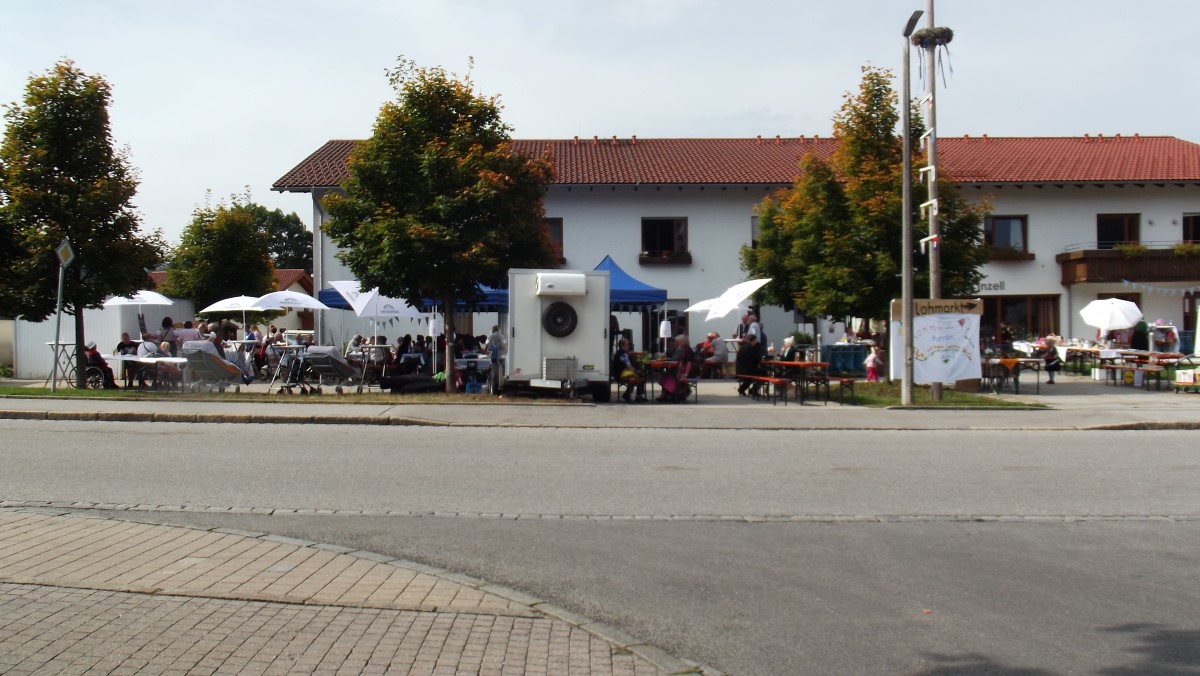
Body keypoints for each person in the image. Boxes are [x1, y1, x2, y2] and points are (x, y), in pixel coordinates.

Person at [659, 334, 695, 402]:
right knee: (665, 375)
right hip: (677, 368)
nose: (674, 342)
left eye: (676, 341)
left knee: (668, 376)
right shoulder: (678, 348)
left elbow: (689, 363)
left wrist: (685, 374)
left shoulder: (686, 349)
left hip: (683, 370)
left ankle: (675, 394)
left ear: (680, 341)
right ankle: (667, 394)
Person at [612, 337, 647, 402]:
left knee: (637, 377)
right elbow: (629, 367)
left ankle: (628, 394)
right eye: (627, 345)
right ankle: (637, 396)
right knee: (640, 376)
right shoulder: (624, 355)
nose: (629, 346)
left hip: (618, 373)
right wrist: (637, 371)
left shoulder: (619, 353)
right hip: (622, 374)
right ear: (622, 346)